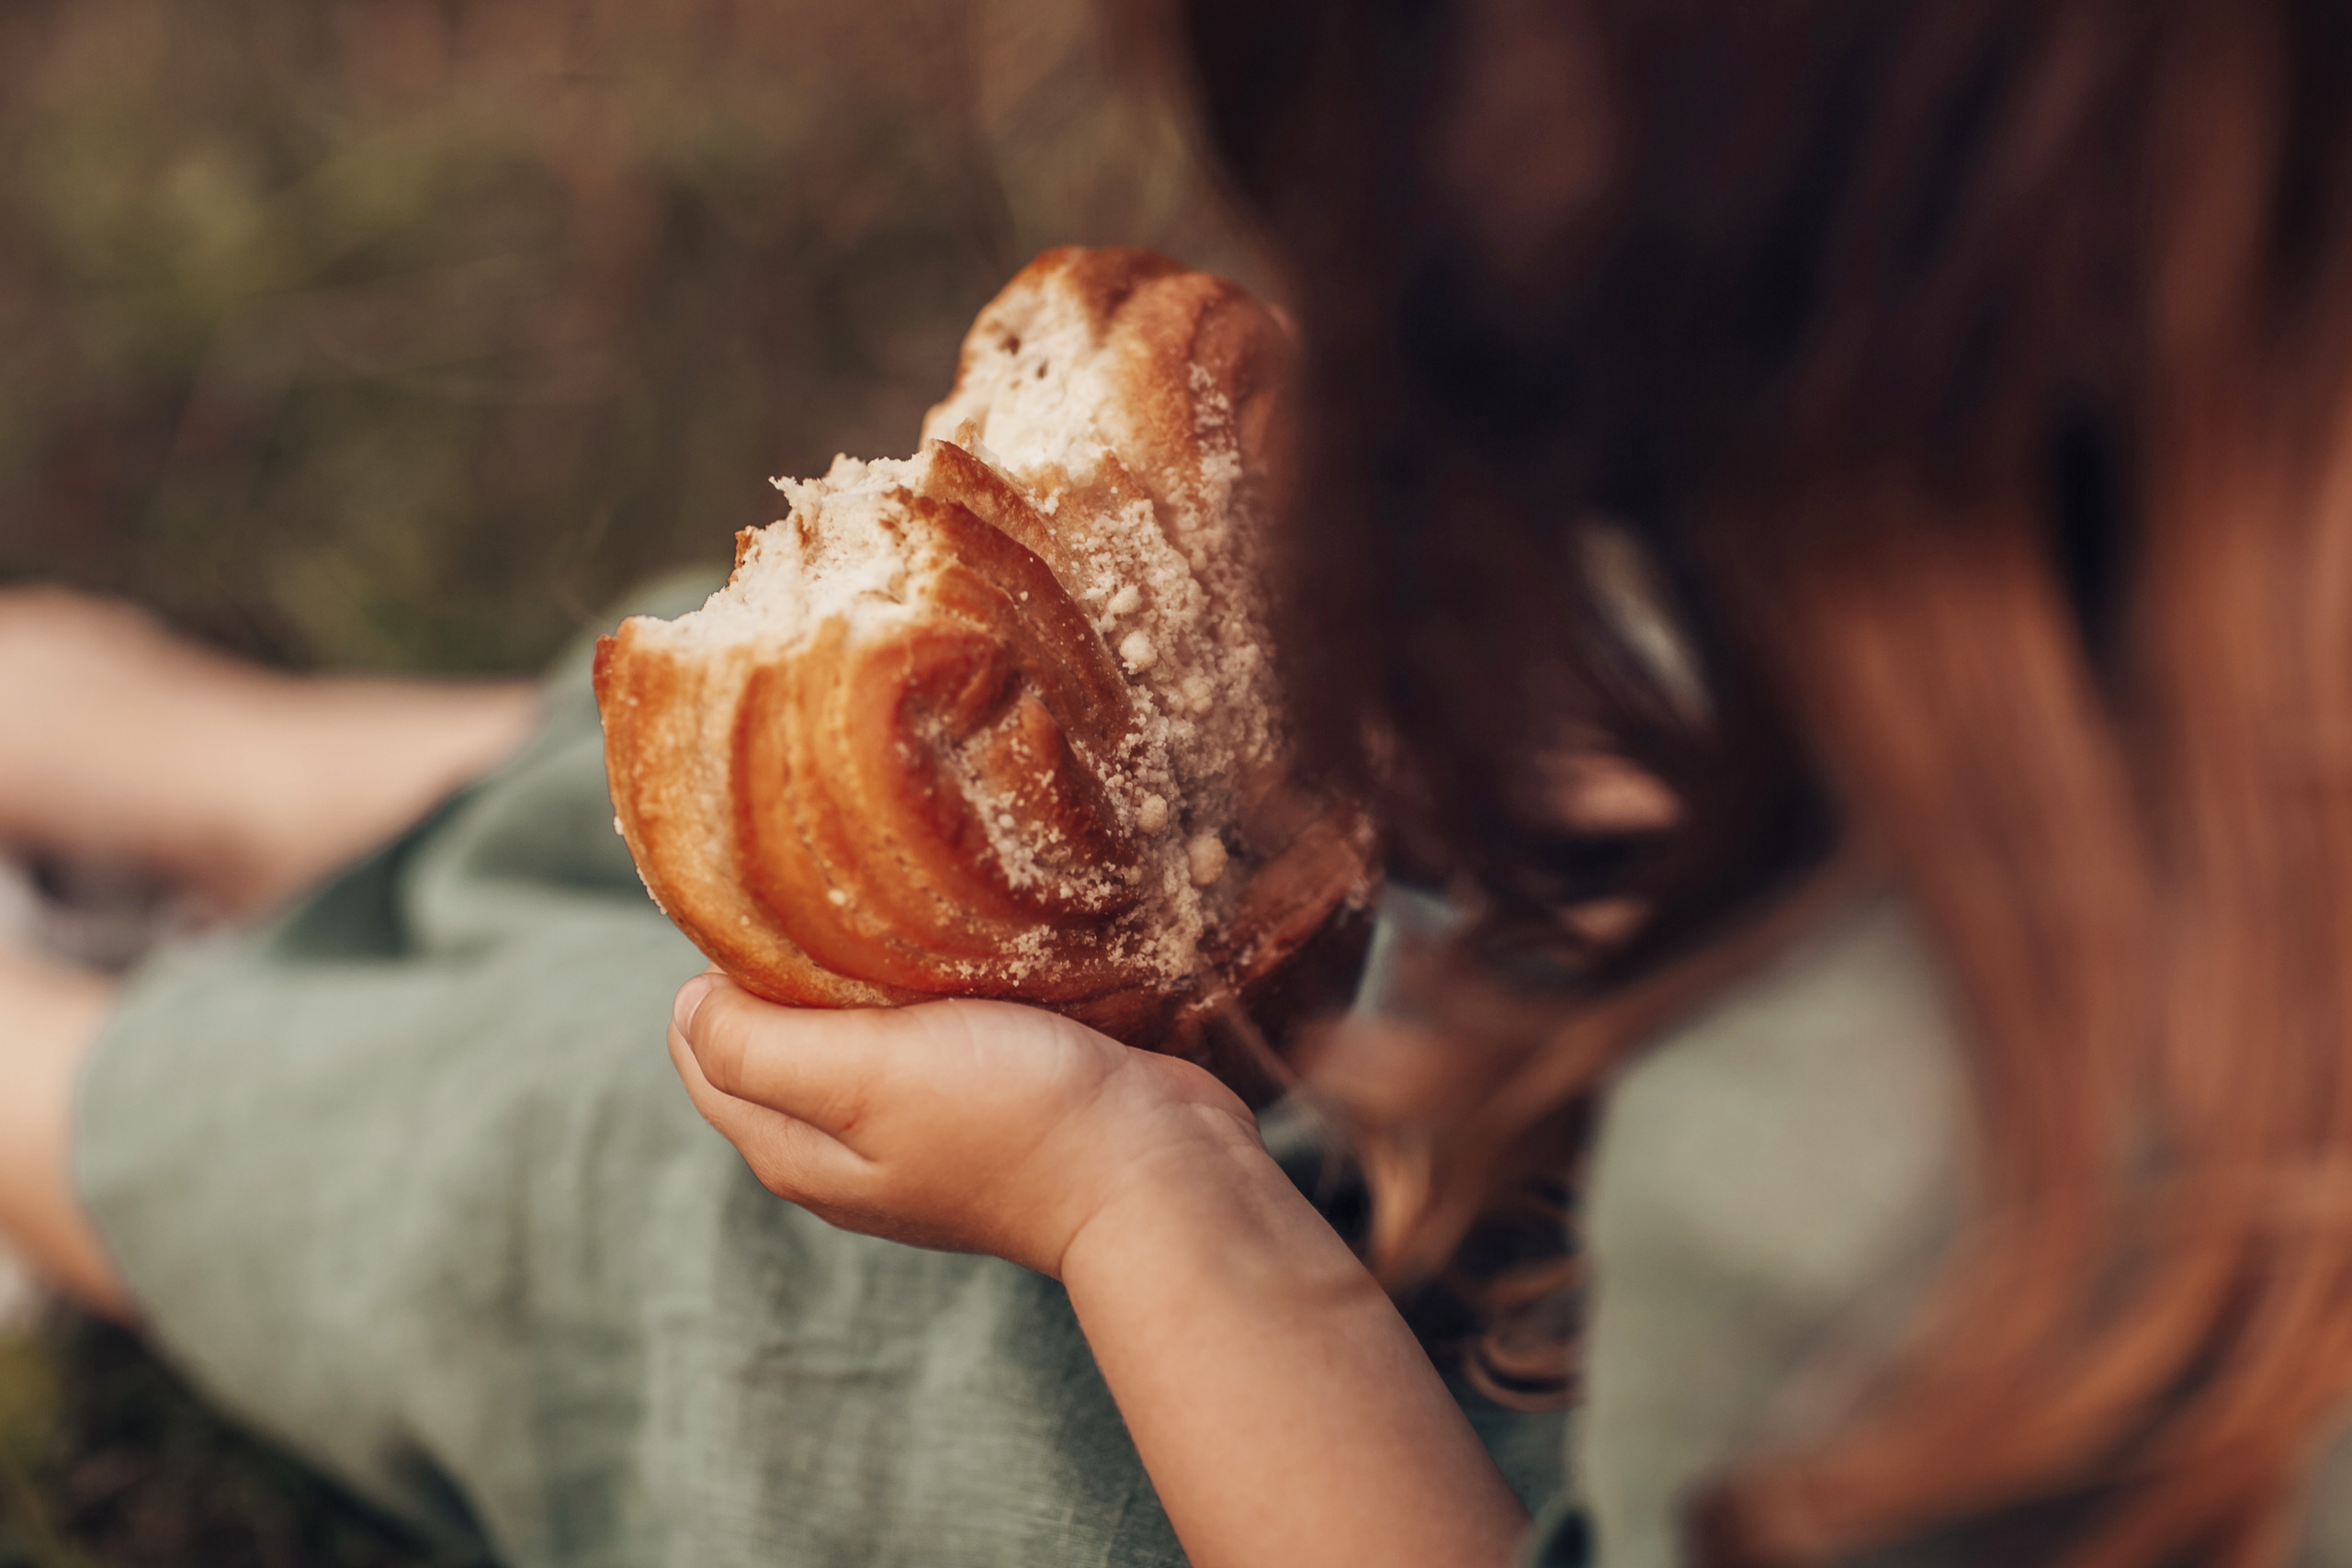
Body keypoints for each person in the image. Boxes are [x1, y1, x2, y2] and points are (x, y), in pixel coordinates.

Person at [9, 1, 2352, 1564]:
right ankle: (258, 784)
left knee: (762, 1239)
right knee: (946, 792)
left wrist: (1148, 1211)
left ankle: (70, 1091)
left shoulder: (1861, 1199)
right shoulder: (2189, 511)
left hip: (1436, 1468)